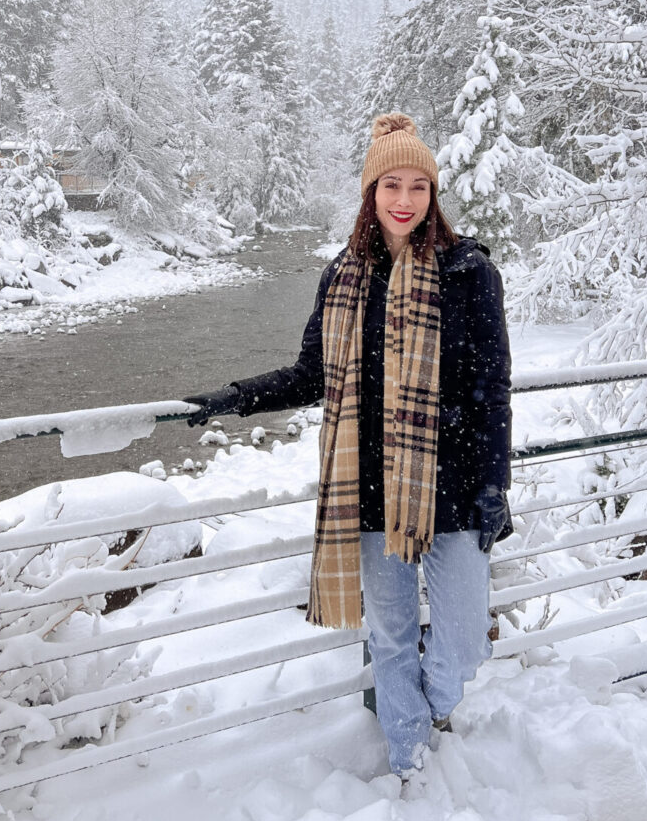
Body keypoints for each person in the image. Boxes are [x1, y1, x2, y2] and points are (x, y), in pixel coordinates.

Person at [184, 113, 512, 778]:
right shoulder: (342, 278)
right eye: (391, 184)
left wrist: (493, 486)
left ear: (433, 194)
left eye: (418, 186)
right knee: (391, 640)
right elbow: (312, 377)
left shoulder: (468, 271)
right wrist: (236, 395)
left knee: (463, 641)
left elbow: (493, 388)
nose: (404, 200)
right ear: (370, 192)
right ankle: (411, 760)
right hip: (367, 490)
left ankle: (435, 708)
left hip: (452, 487)